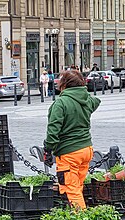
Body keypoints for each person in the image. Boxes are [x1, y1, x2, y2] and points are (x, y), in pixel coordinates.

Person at [43, 70, 100, 209]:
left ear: (64, 85)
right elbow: (96, 101)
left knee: (72, 190)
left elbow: (53, 131)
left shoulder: (61, 103)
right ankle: (76, 216)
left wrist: (48, 149)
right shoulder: (86, 99)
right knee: (78, 186)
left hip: (69, 153)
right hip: (86, 149)